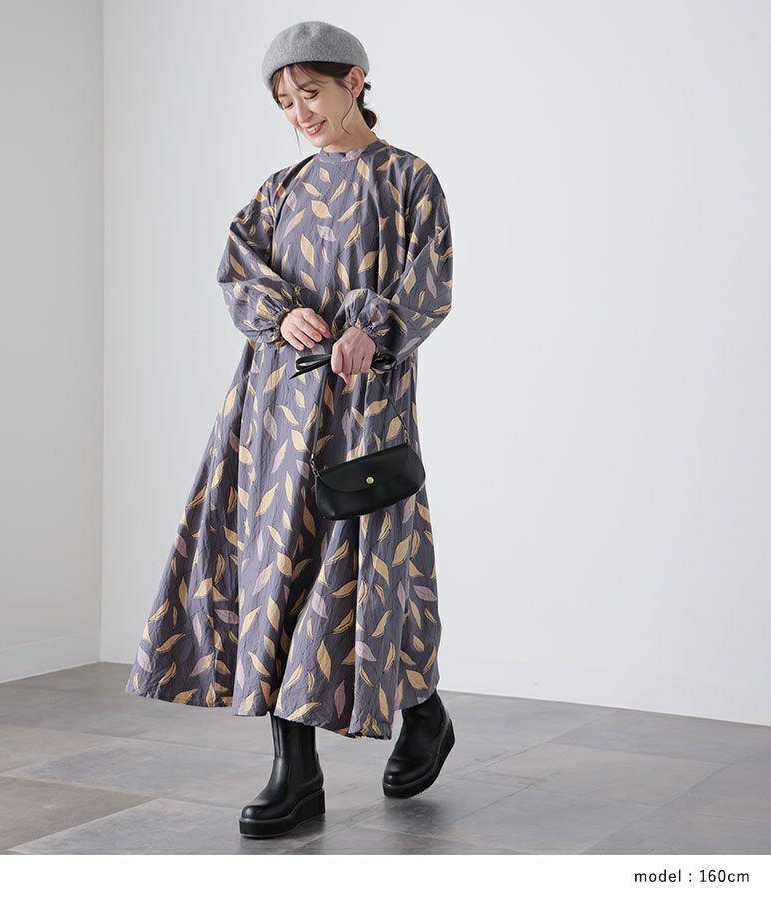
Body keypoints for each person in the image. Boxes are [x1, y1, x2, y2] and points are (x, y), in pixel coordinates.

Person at [123, 19, 455, 839]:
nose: (300, 111)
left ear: (355, 82)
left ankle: (423, 713)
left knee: (372, 567)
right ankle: (295, 773)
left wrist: (371, 330)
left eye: (311, 91)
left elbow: (429, 280)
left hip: (364, 408)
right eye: (285, 101)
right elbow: (239, 266)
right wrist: (281, 315)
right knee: (279, 566)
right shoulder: (280, 188)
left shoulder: (408, 179)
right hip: (273, 407)